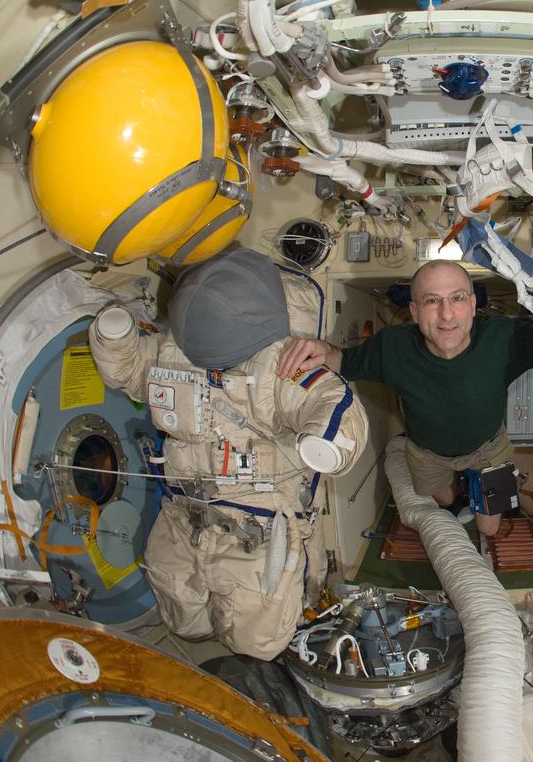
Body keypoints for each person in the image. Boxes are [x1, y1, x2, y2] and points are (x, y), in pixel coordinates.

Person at [90, 248, 368, 657]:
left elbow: (334, 403)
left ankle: (250, 665)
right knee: (182, 614)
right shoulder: (174, 352)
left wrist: (327, 440)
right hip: (182, 513)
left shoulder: (284, 363)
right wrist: (114, 338)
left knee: (256, 638)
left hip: (254, 526)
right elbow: (132, 372)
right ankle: (199, 641)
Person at [278, 260, 533, 538]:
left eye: (458, 298)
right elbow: (344, 361)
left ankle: (477, 493)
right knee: (443, 500)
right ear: (414, 311)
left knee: (489, 528)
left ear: (473, 305)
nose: (446, 315)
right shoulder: (392, 347)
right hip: (426, 453)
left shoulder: (506, 338)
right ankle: (461, 489)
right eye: (433, 301)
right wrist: (321, 349)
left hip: (489, 448)